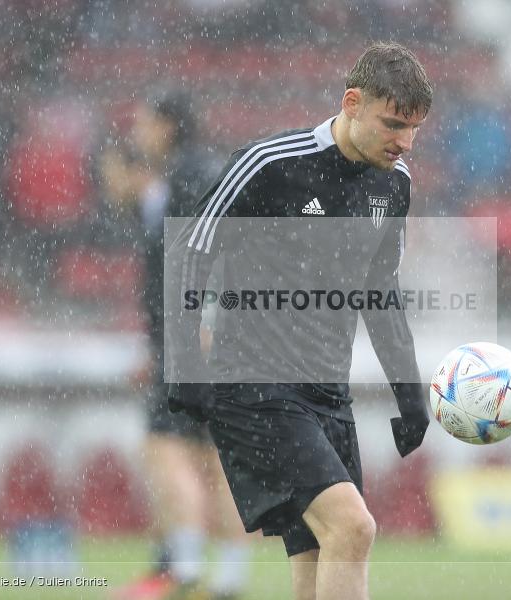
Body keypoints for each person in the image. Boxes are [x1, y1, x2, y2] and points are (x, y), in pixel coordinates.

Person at [166, 42, 432, 600]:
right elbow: (190, 251)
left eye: (414, 129)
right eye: (393, 124)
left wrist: (410, 393)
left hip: (327, 394)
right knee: (353, 527)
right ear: (352, 102)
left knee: (316, 555)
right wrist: (187, 363)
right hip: (254, 387)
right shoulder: (271, 164)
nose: (404, 142)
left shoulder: (394, 184)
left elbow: (379, 290)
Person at [105, 88, 250, 600]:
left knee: (167, 449)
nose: (136, 132)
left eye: (143, 122)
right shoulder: (202, 174)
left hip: (196, 339)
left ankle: (184, 570)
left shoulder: (190, 178)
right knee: (214, 457)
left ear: (167, 126)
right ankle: (230, 577)